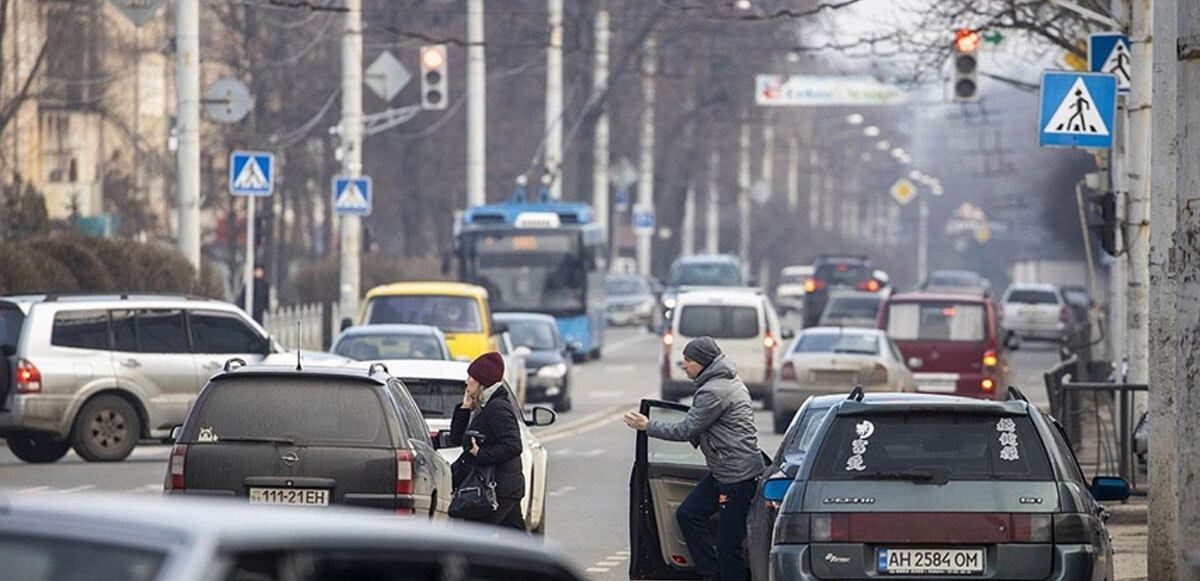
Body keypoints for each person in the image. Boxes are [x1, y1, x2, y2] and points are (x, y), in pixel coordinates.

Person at [623, 337, 764, 581]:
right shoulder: (726, 380)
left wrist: (647, 426)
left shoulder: (714, 390)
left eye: (688, 360)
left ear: (703, 362)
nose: (684, 365)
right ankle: (711, 572)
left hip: (736, 475)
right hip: (724, 471)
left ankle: (721, 575)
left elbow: (685, 430)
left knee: (728, 543)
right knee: (688, 514)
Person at [448, 351, 526, 530]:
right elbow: (455, 439)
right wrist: (464, 409)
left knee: (472, 536)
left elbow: (513, 446)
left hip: (498, 489)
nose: (467, 381)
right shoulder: (483, 406)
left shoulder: (497, 408)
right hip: (503, 488)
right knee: (518, 541)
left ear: (482, 381)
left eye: (471, 377)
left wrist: (481, 453)